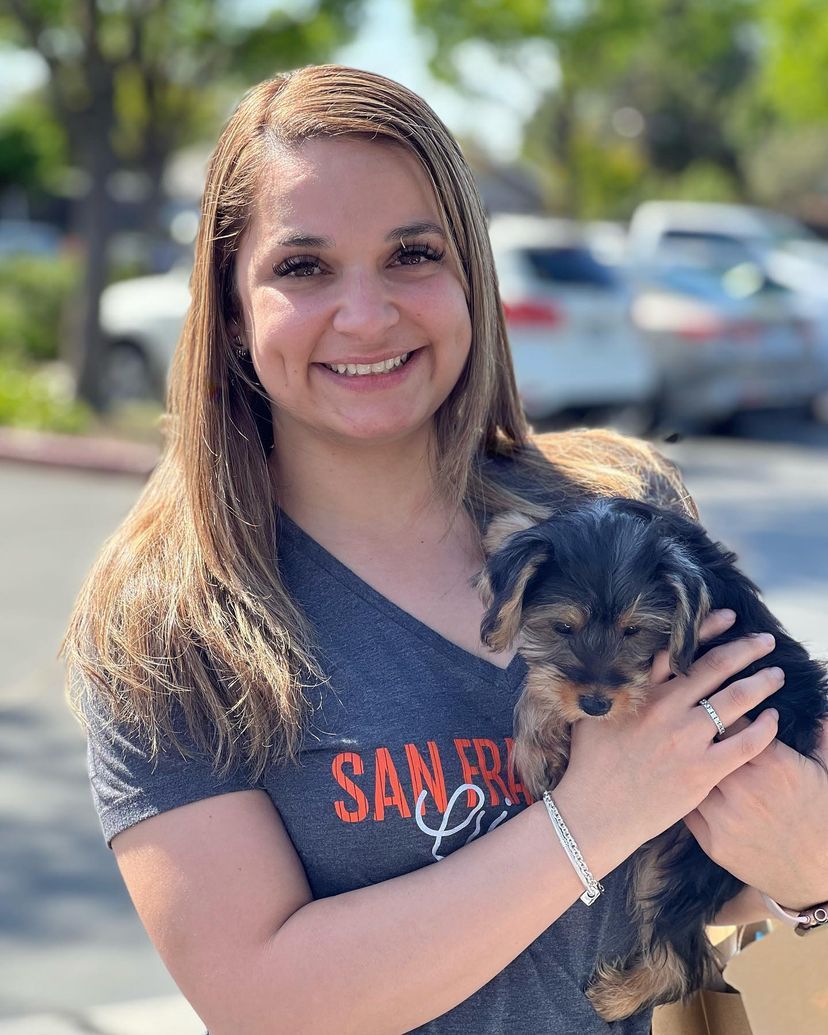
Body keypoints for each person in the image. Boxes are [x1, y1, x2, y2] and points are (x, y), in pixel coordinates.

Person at [63, 64, 828, 1035]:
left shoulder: (621, 518)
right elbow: (264, 1005)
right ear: (229, 308)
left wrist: (810, 877)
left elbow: (734, 889)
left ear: (470, 270)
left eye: (412, 254)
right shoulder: (174, 621)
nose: (369, 314)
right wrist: (589, 817)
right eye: (303, 268)